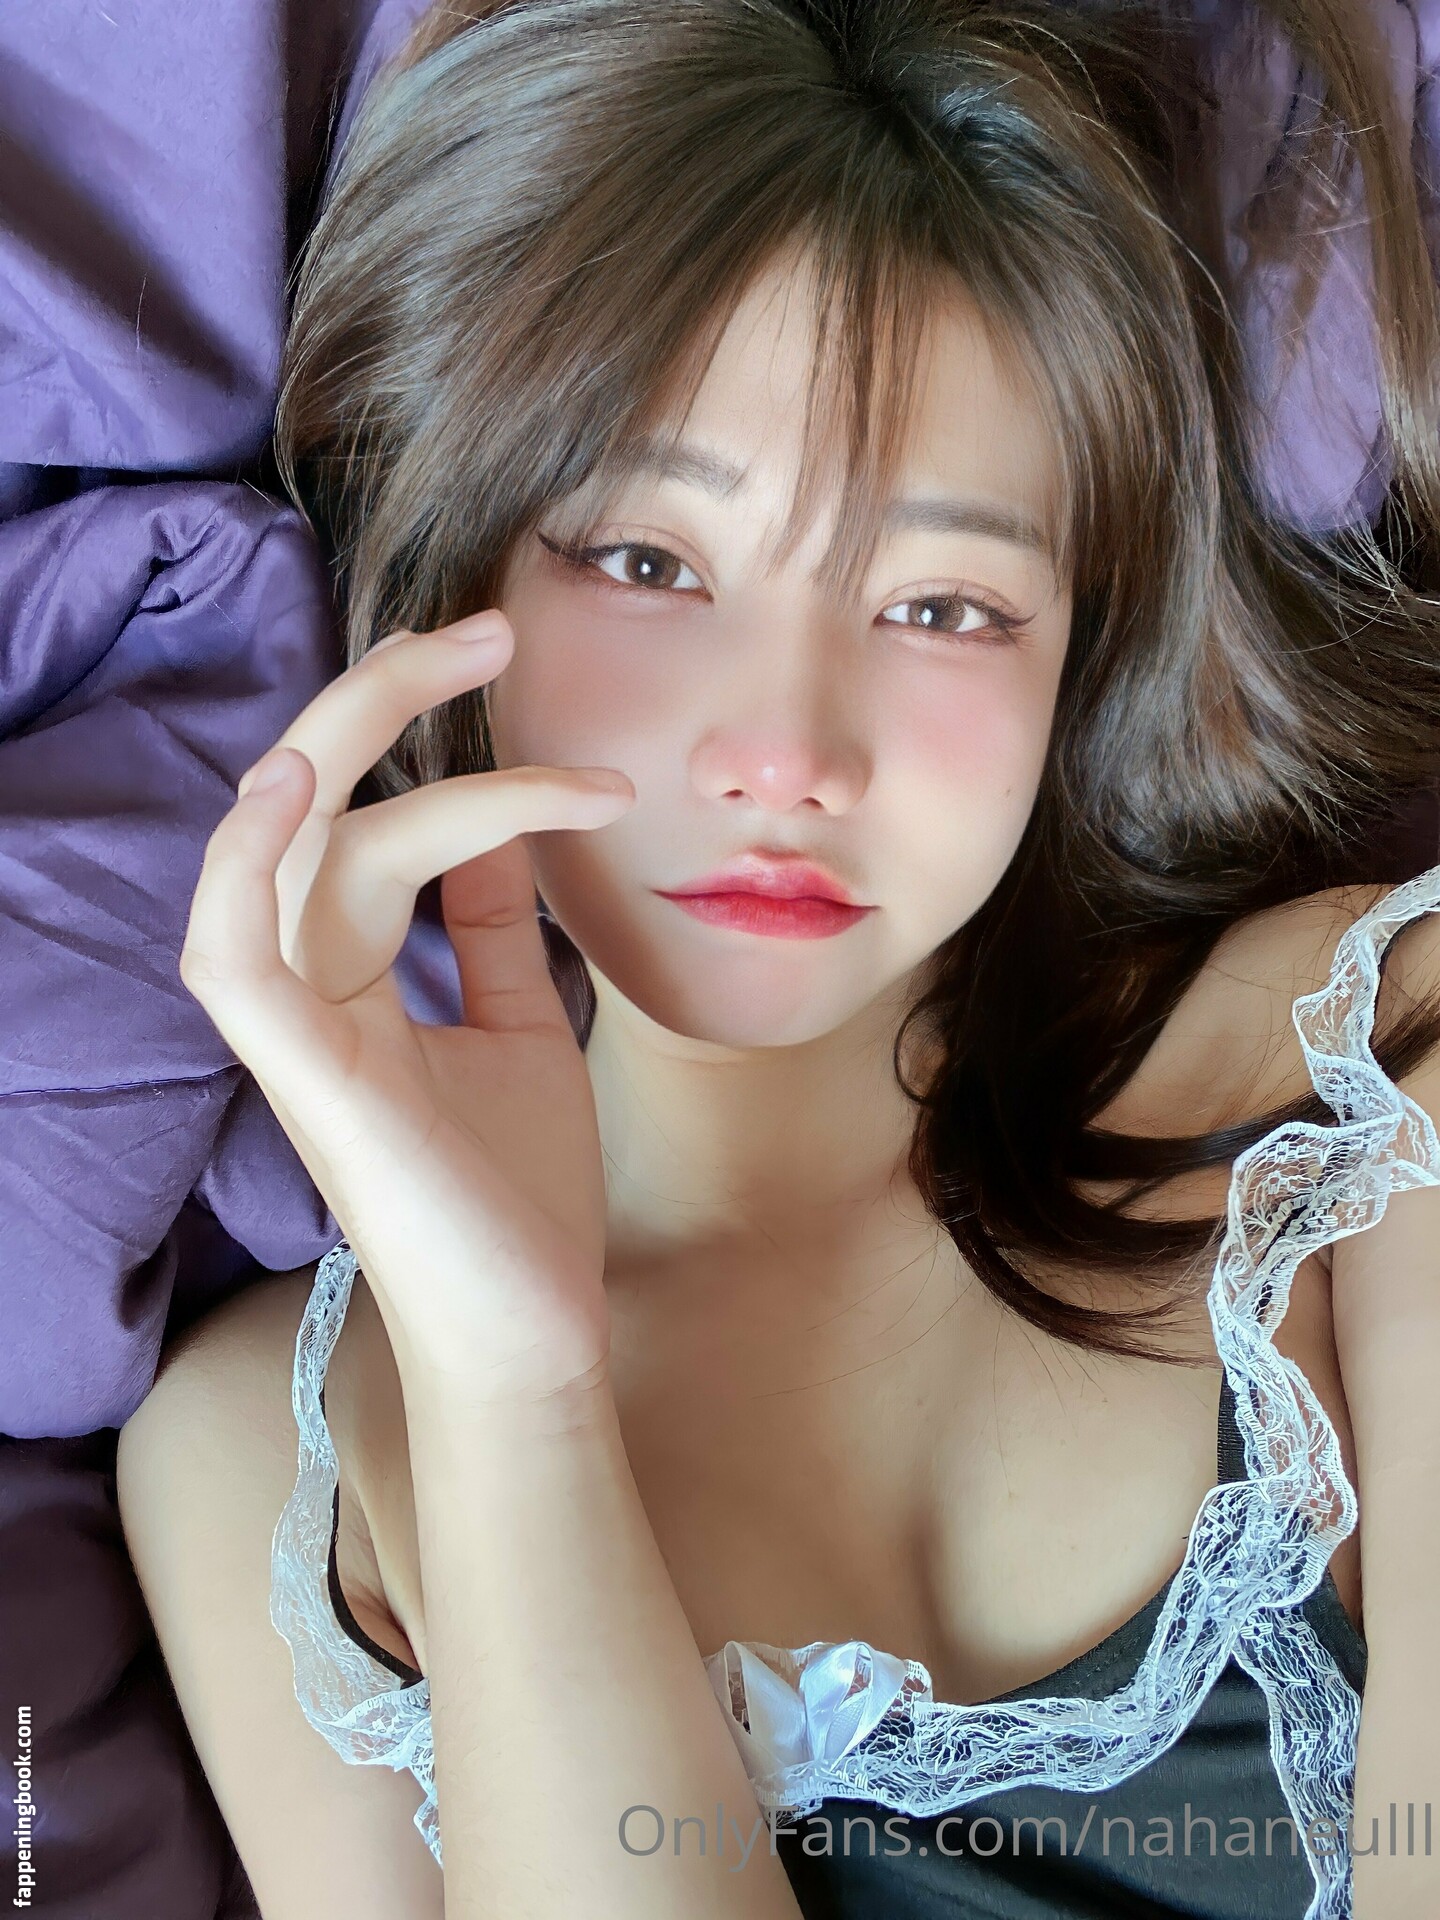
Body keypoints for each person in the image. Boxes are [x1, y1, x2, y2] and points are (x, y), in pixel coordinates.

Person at [114, 0, 1440, 1914]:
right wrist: (515, 1390)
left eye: (944, 603)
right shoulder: (266, 1464)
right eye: (650, 563)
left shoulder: (1381, 1084)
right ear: (446, 573)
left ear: (1084, 645)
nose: (791, 756)